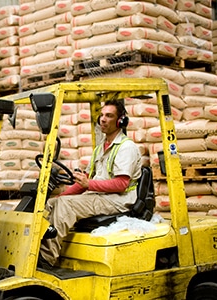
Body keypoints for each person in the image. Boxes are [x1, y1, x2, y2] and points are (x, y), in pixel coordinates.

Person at [39, 99, 142, 268]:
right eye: (101, 115)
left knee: (66, 205)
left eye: (109, 116)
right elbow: (84, 181)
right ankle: (36, 249)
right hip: (100, 196)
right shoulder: (100, 148)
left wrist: (89, 185)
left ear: (120, 121)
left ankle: (46, 258)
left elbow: (121, 184)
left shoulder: (126, 147)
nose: (103, 119)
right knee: (50, 204)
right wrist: (59, 196)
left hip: (117, 199)